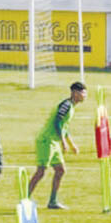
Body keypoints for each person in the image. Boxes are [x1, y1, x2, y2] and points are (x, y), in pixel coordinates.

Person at [30, 81, 86, 209]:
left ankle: (53, 201)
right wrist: (64, 142)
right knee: (41, 172)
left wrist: (72, 144)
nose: (84, 96)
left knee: (60, 170)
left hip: (53, 142)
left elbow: (65, 128)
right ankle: (25, 198)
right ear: (74, 93)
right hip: (46, 140)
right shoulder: (66, 105)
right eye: (82, 93)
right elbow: (57, 123)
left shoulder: (72, 106)